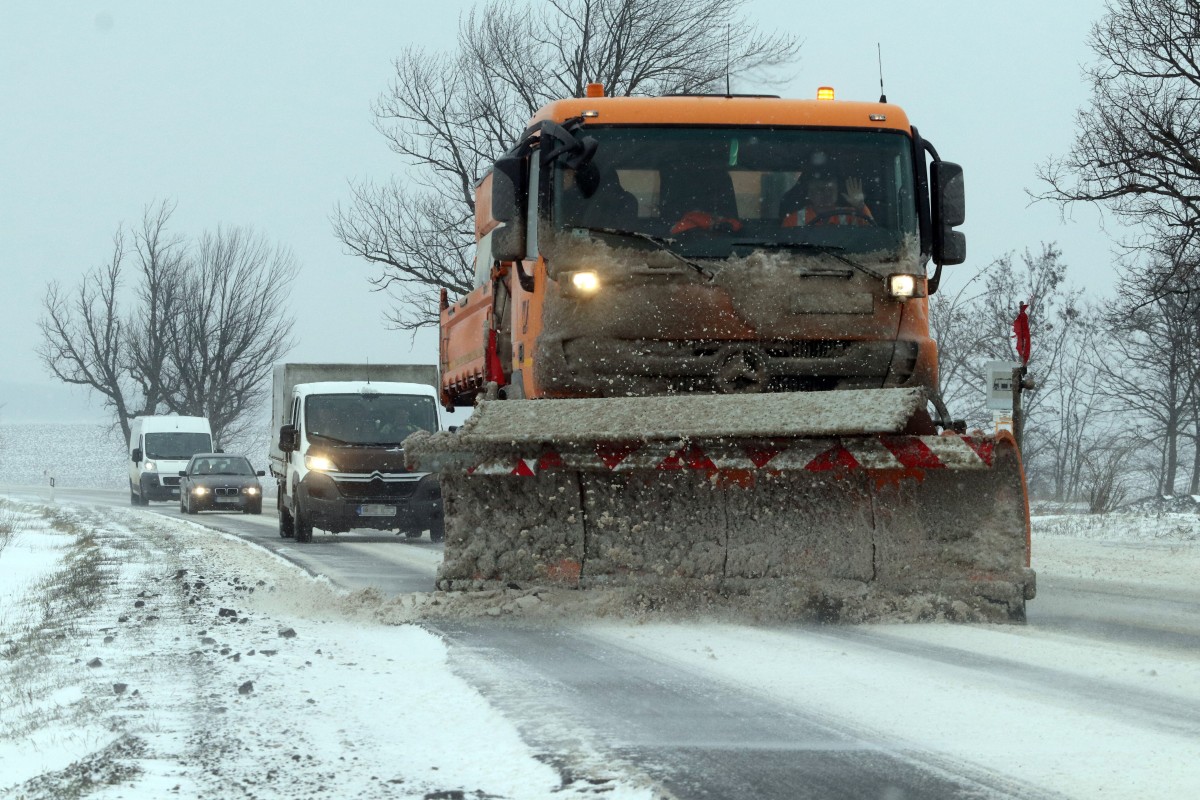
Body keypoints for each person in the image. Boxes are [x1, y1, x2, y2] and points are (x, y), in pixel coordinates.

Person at [781, 173, 874, 228]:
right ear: (809, 194)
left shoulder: (851, 215)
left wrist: (860, 206)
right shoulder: (792, 221)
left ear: (837, 192)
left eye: (830, 189)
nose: (825, 194)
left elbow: (872, 235)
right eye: (819, 189)